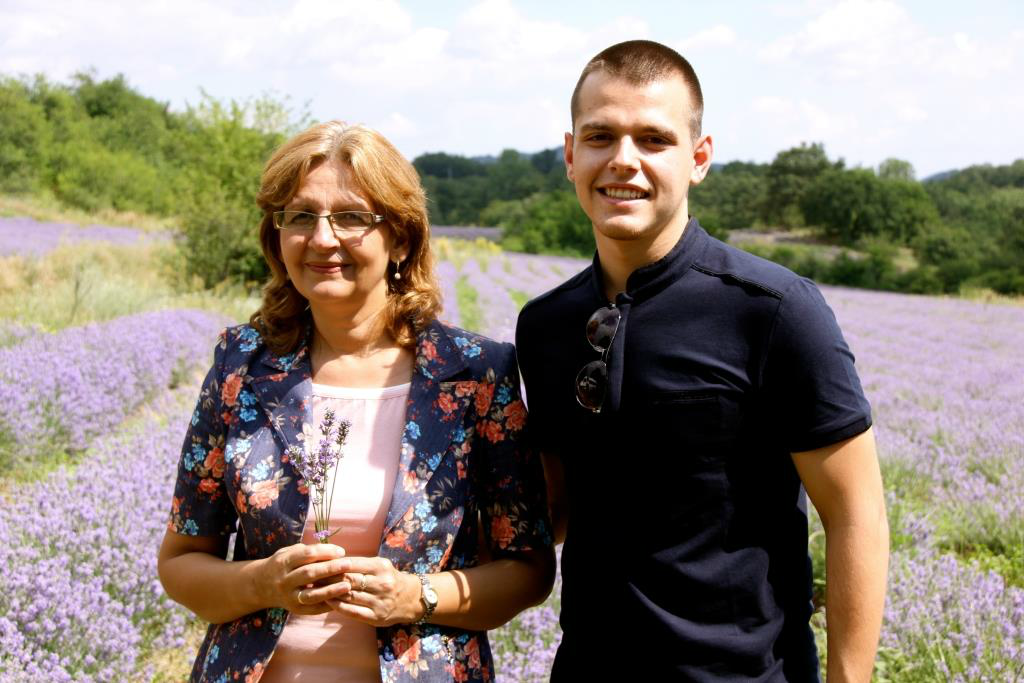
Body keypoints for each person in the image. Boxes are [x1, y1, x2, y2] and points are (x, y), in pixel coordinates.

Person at [515, 40, 889, 681]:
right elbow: (555, 508)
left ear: (699, 159)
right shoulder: (545, 325)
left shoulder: (774, 311)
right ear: (571, 155)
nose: (623, 162)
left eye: (653, 139)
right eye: (600, 136)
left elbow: (855, 512)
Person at [158, 121, 554, 683]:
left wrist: (416, 596)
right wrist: (262, 582)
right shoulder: (240, 365)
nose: (322, 239)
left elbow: (530, 570)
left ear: (399, 237)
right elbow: (180, 563)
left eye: (350, 217)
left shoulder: (476, 374)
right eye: (299, 216)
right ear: (277, 236)